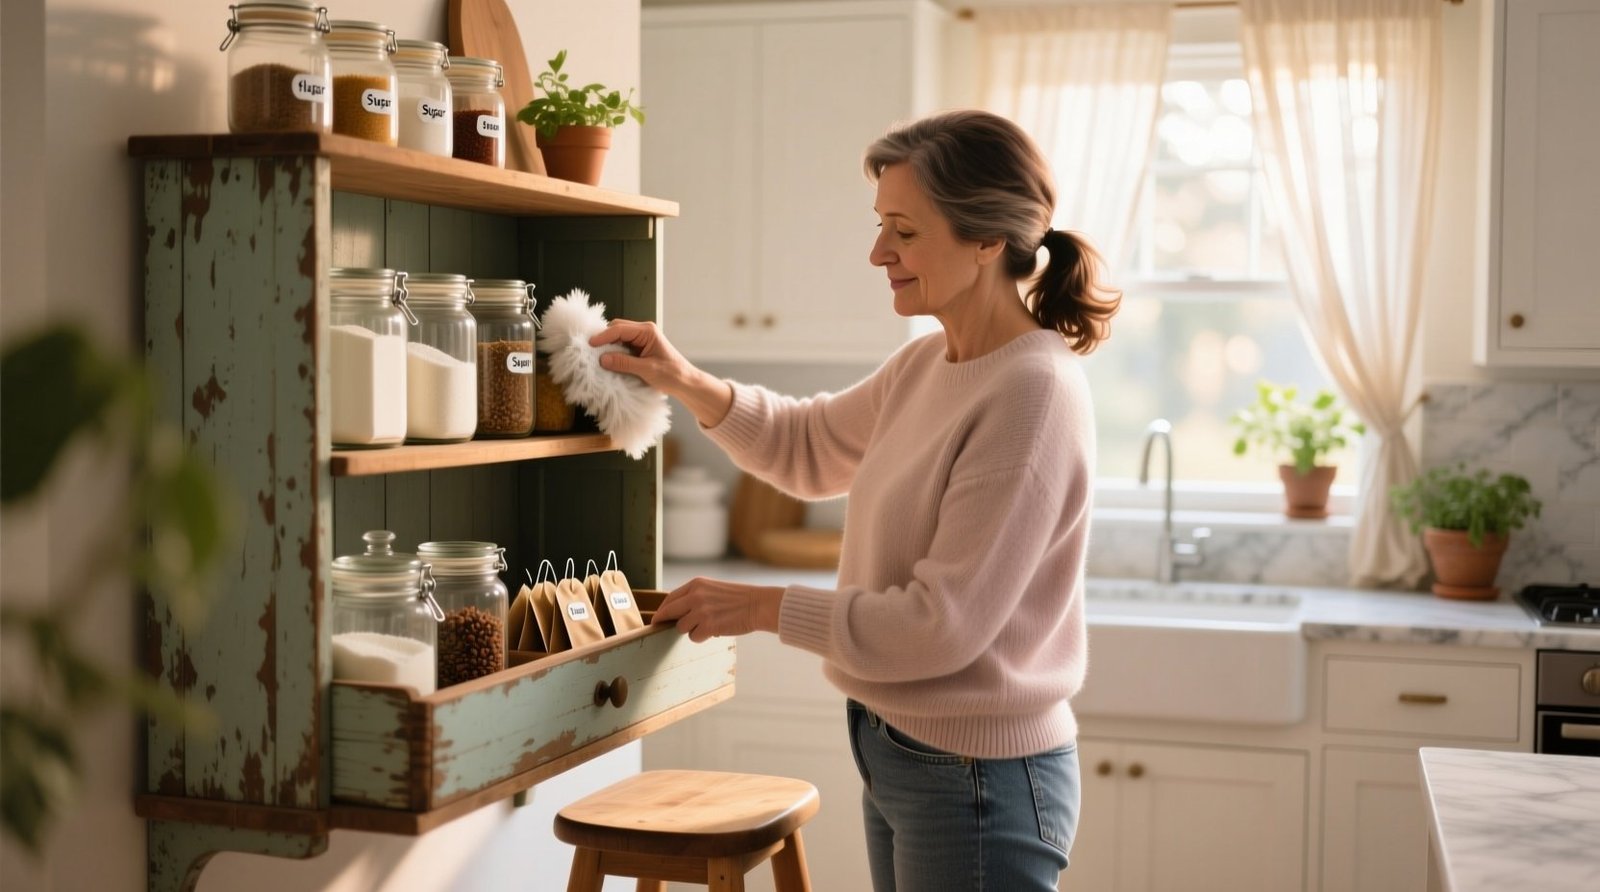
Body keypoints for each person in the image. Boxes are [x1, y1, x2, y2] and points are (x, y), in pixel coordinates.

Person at [590, 108, 1119, 892]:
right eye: (881, 227)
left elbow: (939, 630)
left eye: (903, 231)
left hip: (977, 774)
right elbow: (806, 449)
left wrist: (764, 609)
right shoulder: (928, 366)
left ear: (985, 240)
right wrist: (683, 378)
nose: (879, 253)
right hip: (903, 747)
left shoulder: (1029, 394)